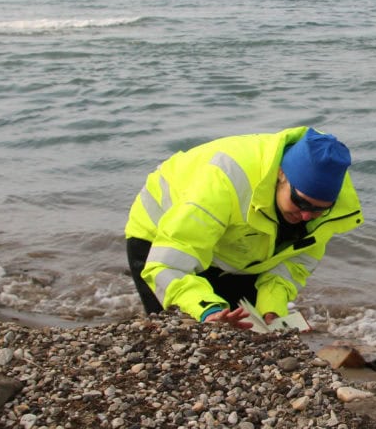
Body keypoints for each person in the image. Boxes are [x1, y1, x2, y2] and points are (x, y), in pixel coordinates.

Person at [125, 126, 362, 325]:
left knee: (248, 328)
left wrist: (272, 310)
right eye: (300, 202)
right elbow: (167, 265)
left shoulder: (330, 208)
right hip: (160, 235)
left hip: (238, 248)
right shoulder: (224, 181)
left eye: (319, 209)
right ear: (281, 174)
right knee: (178, 329)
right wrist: (207, 310)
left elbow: (293, 266)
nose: (307, 215)